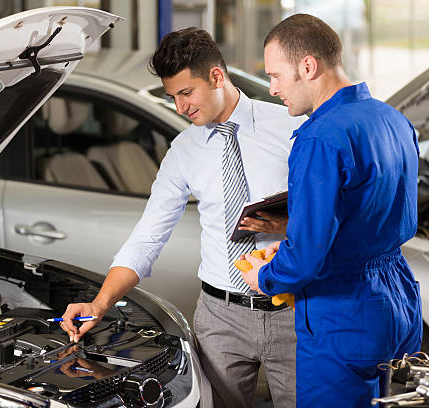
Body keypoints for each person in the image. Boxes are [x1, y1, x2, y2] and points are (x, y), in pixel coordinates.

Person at [60, 27, 305, 408]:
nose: (180, 108)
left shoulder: (291, 128)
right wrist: (101, 303)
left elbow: (332, 211)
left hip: (292, 308)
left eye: (186, 93)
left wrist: (290, 225)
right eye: (172, 97)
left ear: (216, 76)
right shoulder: (183, 151)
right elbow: (148, 236)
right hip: (219, 317)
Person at [241, 14, 423, 407]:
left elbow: (306, 259)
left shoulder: (320, 137)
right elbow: (375, 213)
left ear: (308, 66)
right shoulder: (392, 118)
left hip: (345, 310)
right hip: (399, 299)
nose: (272, 89)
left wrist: (267, 274)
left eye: (275, 75)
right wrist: (297, 231)